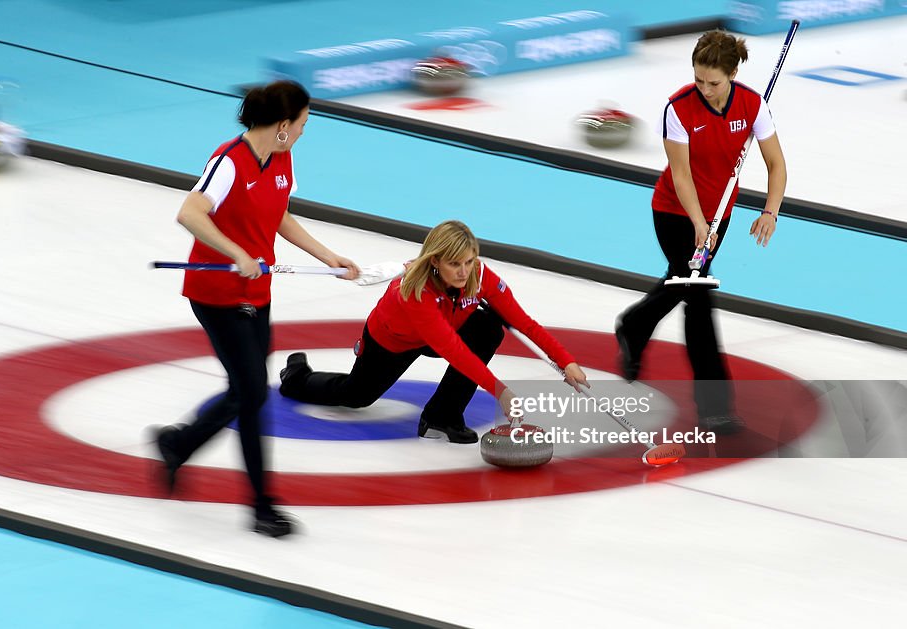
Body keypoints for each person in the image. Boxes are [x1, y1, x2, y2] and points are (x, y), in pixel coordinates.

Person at [151, 80, 360, 538]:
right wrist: (235, 253)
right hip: (217, 293)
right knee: (252, 393)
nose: (306, 131)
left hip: (257, 294)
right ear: (283, 125)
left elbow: (279, 214)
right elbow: (190, 212)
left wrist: (328, 257)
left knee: (245, 390)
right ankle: (262, 506)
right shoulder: (228, 160)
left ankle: (177, 442)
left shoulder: (283, 158)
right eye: (303, 123)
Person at [615, 30, 787, 434]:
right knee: (698, 297)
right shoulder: (678, 108)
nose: (705, 90)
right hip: (676, 212)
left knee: (684, 283)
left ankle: (636, 324)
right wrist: (698, 223)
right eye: (699, 80)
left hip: (719, 216)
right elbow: (681, 174)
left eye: (714, 82)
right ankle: (714, 407)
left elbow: (776, 164)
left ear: (732, 73)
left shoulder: (753, 106)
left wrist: (770, 212)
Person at [278, 220, 588, 443]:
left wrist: (566, 360)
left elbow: (524, 322)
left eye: (469, 261)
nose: (464, 271)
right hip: (393, 342)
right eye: (455, 264)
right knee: (356, 397)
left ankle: (442, 416)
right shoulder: (414, 291)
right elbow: (451, 347)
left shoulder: (479, 277)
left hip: (446, 328)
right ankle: (297, 376)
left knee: (488, 328)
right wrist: (500, 391)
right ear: (436, 261)